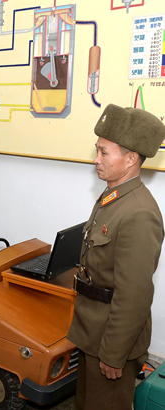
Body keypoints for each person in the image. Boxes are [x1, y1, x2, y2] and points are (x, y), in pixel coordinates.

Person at [67, 104, 165, 410]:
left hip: (110, 340)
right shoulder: (113, 196)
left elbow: (134, 295)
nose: (96, 160)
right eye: (97, 150)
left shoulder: (139, 213)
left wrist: (113, 353)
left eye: (104, 152)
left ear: (131, 159)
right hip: (92, 330)